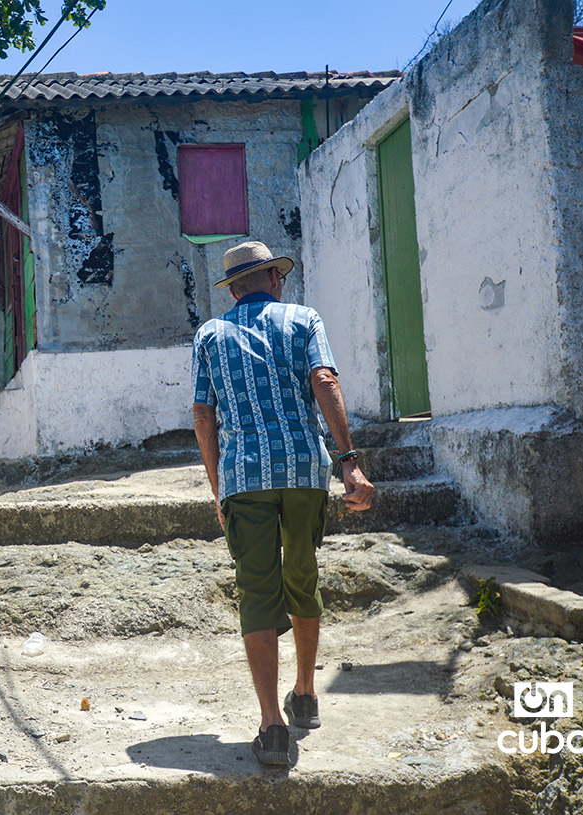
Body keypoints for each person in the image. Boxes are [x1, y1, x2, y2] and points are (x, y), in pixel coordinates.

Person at [191, 241, 374, 767]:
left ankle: (273, 727)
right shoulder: (303, 319)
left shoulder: (210, 334)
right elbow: (324, 379)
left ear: (234, 288)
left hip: (243, 478)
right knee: (303, 573)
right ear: (272, 277)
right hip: (302, 470)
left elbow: (204, 416)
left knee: (256, 589)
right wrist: (349, 461)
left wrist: (216, 487)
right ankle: (305, 694)